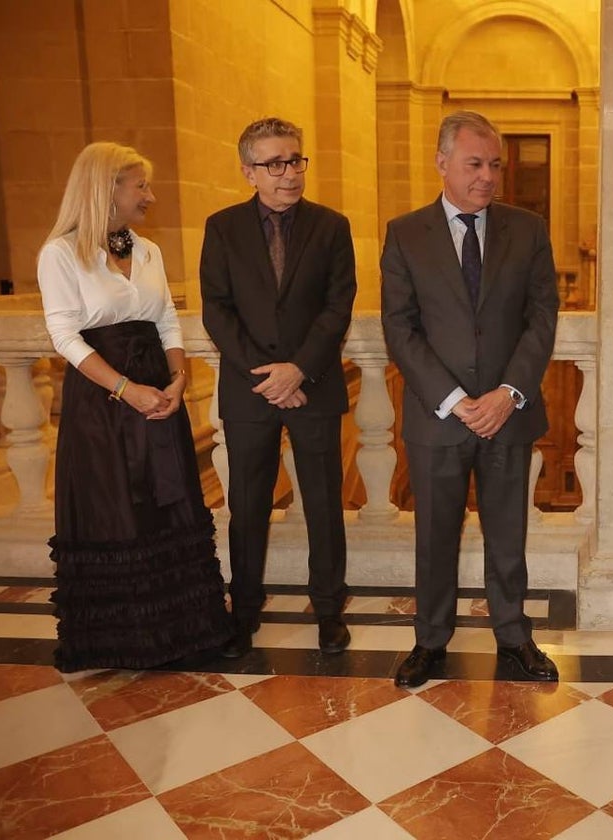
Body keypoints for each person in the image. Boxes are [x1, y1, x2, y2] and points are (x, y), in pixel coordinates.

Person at [380, 110, 560, 688]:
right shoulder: (406, 233)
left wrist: (509, 393)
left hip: (508, 414)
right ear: (442, 164)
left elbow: (541, 319)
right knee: (435, 537)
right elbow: (400, 329)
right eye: (474, 163)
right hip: (440, 419)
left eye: (495, 165)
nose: (488, 176)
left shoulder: (527, 230)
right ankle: (430, 640)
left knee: (509, 534)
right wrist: (458, 400)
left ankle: (513, 635)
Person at [38, 142, 232, 672]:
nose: (151, 195)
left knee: (167, 503)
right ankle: (123, 639)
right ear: (108, 188)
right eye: (140, 185)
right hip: (103, 404)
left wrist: (176, 378)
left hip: (158, 393)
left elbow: (168, 319)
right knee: (118, 509)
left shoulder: (147, 251)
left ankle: (184, 630)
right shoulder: (59, 254)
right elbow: (64, 336)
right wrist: (126, 390)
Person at [200, 117, 357, 658]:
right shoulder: (221, 228)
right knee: (246, 505)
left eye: (295, 160)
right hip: (250, 394)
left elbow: (339, 307)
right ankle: (242, 611)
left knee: (323, 503)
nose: (289, 173)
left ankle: (330, 609)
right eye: (274, 164)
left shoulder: (332, 226)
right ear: (249, 171)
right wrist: (266, 378)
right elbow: (217, 311)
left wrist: (299, 370)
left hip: (313, 387)